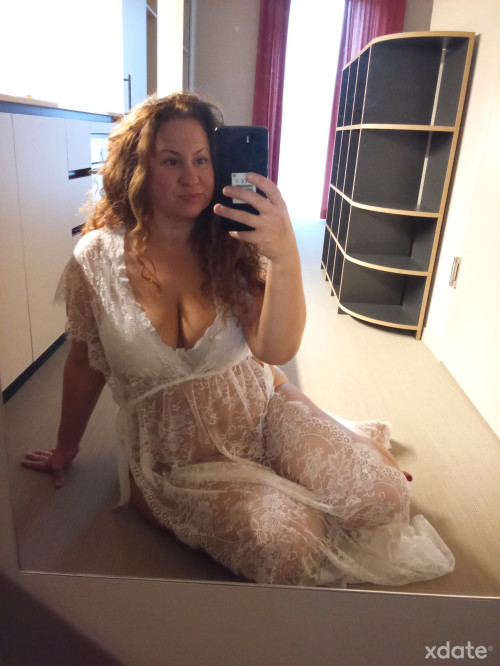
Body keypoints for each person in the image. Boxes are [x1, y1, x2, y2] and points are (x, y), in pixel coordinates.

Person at [21, 92, 454, 587]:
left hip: (261, 411)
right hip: (174, 463)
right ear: (137, 168)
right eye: (171, 161)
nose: (192, 177)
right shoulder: (96, 257)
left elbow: (275, 350)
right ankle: (323, 450)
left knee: (386, 498)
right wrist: (66, 446)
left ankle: (317, 424)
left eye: (202, 159)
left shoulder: (231, 238)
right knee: (291, 542)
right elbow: (84, 361)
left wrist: (284, 253)